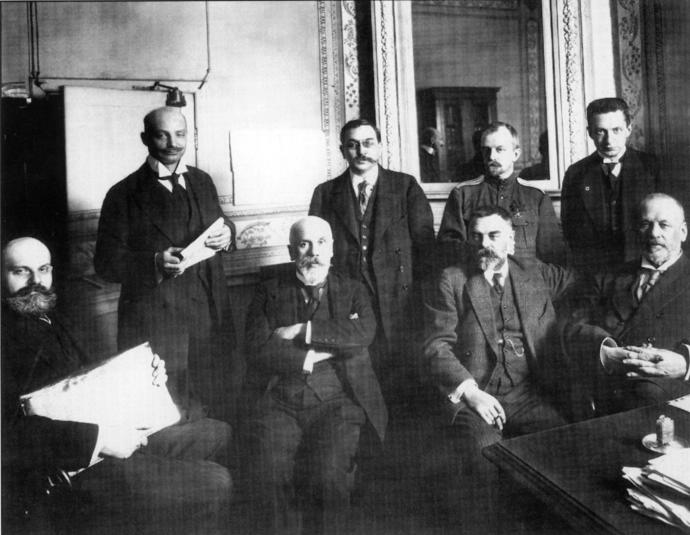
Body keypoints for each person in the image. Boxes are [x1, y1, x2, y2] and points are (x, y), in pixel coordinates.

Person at [2, 237, 232, 535]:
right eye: (21, 271)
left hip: (106, 435)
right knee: (216, 482)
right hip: (72, 466)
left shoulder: (49, 316)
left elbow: (88, 380)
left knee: (217, 432)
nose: (36, 281)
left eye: (43, 269)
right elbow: (9, 433)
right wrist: (101, 441)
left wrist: (146, 378)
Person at [423, 206, 574, 532]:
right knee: (483, 455)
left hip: (527, 394)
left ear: (511, 240)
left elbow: (586, 286)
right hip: (476, 395)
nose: (484, 244)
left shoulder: (534, 272)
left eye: (493, 236)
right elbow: (436, 346)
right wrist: (471, 393)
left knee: (562, 445)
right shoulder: (452, 279)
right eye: (476, 237)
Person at [94, 106, 239, 423]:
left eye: (180, 134)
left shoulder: (203, 181)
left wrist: (228, 232)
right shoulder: (122, 194)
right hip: (156, 325)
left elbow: (219, 221)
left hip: (208, 317)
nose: (173, 143)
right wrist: (154, 262)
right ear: (145, 138)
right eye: (162, 135)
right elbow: (105, 263)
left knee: (215, 401)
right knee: (166, 414)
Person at [243, 216, 387, 534]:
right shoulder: (268, 291)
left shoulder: (353, 289)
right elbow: (256, 348)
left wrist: (301, 330)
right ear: (291, 251)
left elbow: (364, 332)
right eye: (304, 244)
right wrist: (313, 356)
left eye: (321, 242)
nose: (314, 252)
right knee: (269, 471)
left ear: (332, 248)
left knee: (328, 473)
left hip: (339, 403)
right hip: (279, 402)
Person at [309, 118, 435, 399]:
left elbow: (426, 248)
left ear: (379, 146)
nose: (361, 151)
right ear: (342, 151)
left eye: (368, 143)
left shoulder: (405, 186)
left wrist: (423, 298)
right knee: (360, 375)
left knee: (404, 377)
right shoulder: (325, 193)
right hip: (350, 300)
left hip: (400, 297)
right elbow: (316, 252)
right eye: (352, 145)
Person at [564, 193, 690, 415]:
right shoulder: (607, 276)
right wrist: (604, 352)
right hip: (602, 383)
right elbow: (572, 326)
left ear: (683, 232)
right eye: (645, 224)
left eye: (664, 225)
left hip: (664, 390)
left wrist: (685, 364)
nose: (654, 233)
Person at [436, 122, 565, 266]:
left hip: (525, 278)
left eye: (500, 149)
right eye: (486, 150)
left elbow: (552, 255)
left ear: (515, 154)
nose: (492, 156)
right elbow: (449, 251)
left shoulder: (536, 197)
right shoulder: (463, 194)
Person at [561, 97, 660, 272]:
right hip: (595, 272)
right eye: (601, 131)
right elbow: (570, 230)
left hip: (643, 268)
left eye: (616, 130)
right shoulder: (575, 174)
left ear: (628, 129)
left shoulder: (652, 167)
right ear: (590, 133)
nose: (609, 140)